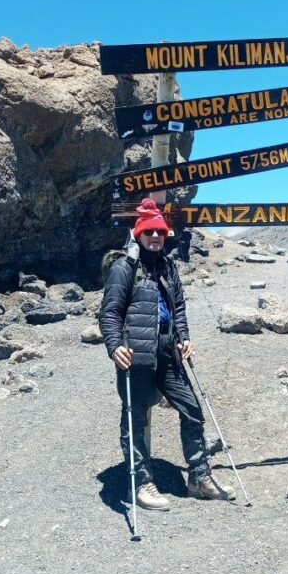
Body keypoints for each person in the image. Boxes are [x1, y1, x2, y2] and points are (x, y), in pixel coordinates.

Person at [99, 198, 235, 510]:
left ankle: (199, 478)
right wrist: (114, 346)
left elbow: (179, 308)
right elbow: (110, 312)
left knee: (192, 409)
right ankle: (141, 482)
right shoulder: (124, 267)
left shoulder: (168, 266)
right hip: (135, 352)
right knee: (135, 416)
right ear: (139, 234)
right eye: (149, 232)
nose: (156, 236)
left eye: (160, 231)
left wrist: (184, 337)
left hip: (168, 350)